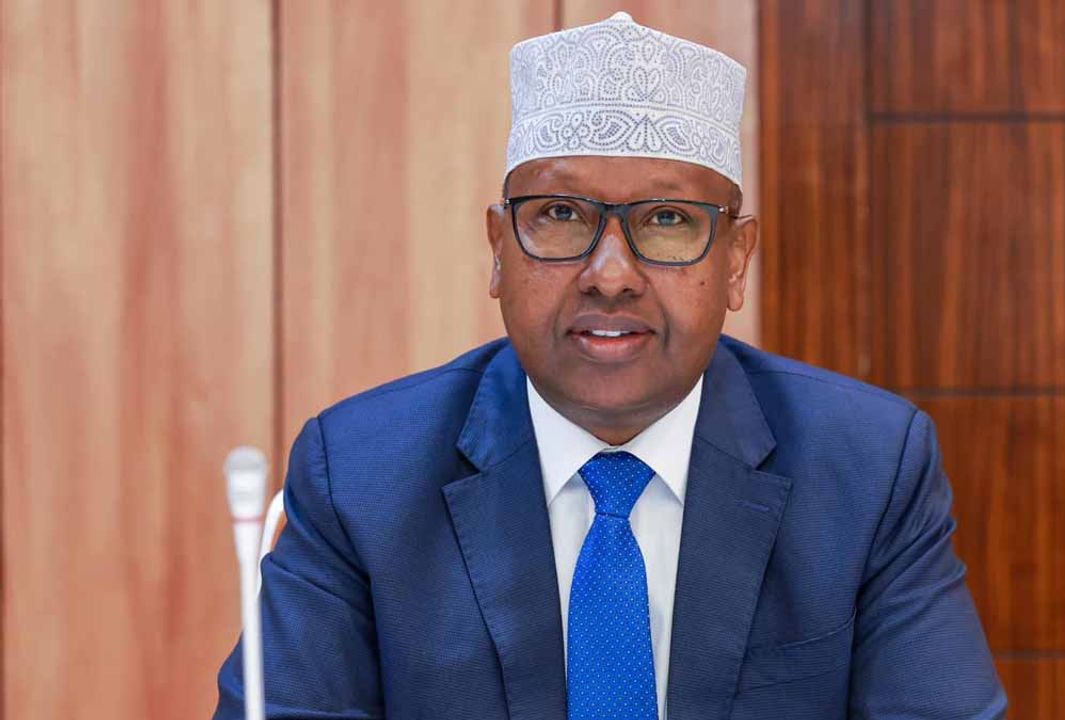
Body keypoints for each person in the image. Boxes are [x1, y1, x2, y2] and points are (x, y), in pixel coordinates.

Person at [215, 12, 1006, 719]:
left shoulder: (866, 471)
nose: (612, 274)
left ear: (735, 260)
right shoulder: (362, 478)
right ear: (499, 250)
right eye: (562, 214)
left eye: (667, 219)